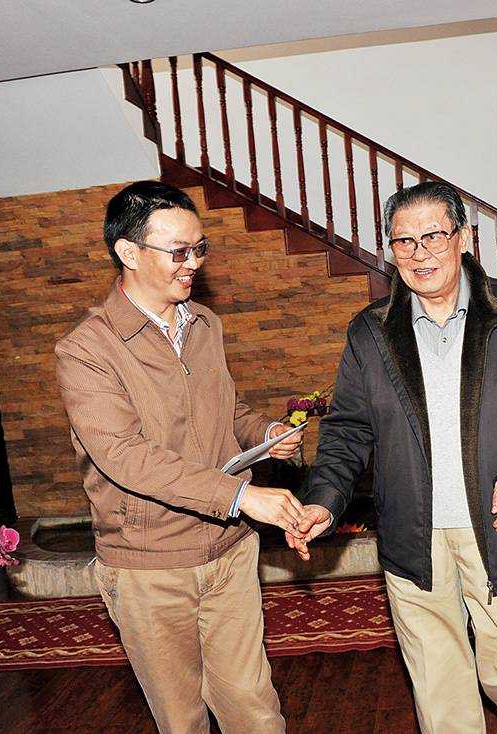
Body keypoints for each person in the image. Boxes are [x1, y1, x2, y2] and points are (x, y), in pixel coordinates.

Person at [288, 181, 497, 733]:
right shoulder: (371, 332)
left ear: (463, 238)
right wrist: (324, 500)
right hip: (413, 535)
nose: (419, 253)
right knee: (440, 694)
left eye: (433, 236)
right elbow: (349, 427)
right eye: (404, 241)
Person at [55, 180, 303, 733]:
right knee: (182, 720)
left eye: (199, 248)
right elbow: (125, 456)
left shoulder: (205, 325)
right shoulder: (86, 349)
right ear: (128, 252)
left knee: (256, 710)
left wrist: (265, 432)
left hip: (229, 549)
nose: (193, 263)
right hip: (150, 565)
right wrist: (241, 495)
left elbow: (227, 409)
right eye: (178, 251)